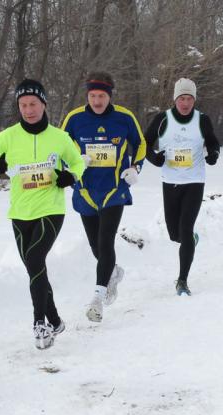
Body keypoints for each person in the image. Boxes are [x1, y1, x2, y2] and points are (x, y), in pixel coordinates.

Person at [0, 79, 85, 349]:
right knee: (35, 267)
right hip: (20, 212)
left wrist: (71, 176)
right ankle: (55, 318)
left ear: (43, 104)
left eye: (33, 104)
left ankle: (40, 322)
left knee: (34, 259)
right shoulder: (7, 136)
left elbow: (78, 162)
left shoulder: (59, 137)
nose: (28, 110)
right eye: (23, 105)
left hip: (50, 209)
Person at [61, 72, 146, 322]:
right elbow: (60, 147)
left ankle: (97, 299)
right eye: (93, 96)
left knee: (106, 241)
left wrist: (135, 167)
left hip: (114, 189)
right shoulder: (75, 118)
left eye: (102, 96)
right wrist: (75, 162)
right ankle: (114, 272)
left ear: (110, 96)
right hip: (86, 191)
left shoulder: (124, 117)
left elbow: (140, 143)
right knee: (95, 245)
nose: (97, 101)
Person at [144, 78, 220, 296]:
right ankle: (190, 240)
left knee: (185, 229)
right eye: (181, 99)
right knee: (174, 233)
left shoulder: (202, 120)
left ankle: (182, 281)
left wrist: (213, 154)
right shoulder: (162, 119)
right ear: (175, 99)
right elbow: (144, 143)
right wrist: (154, 158)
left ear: (194, 100)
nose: (185, 103)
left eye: (189, 99)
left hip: (194, 181)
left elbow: (213, 141)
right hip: (170, 182)